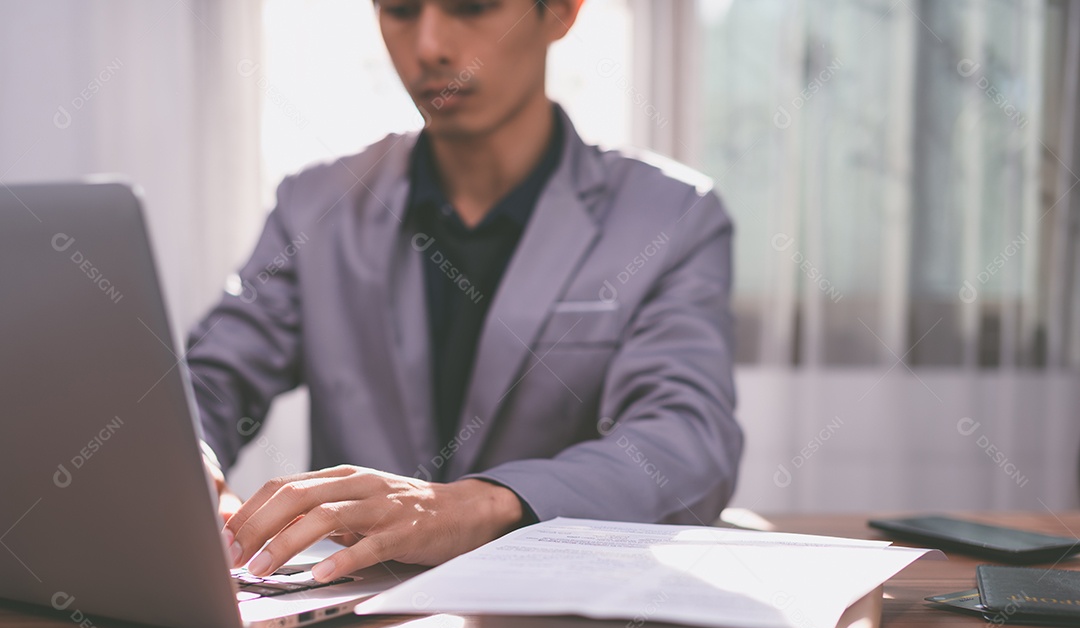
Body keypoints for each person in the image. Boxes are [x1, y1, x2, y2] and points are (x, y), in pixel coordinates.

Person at [188, 0, 742, 584]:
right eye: (400, 10)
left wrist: (482, 505)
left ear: (560, 12)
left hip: (560, 627)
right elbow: (208, 379)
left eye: (470, 6)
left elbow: (686, 442)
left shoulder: (670, 216)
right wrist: (186, 461)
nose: (429, 46)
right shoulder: (315, 205)